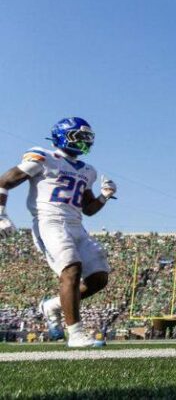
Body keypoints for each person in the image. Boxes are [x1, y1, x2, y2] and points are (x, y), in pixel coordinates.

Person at [0, 118, 116, 347]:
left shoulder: (88, 171)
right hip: (48, 222)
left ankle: (52, 305)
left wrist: (105, 195)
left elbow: (89, 209)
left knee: (99, 277)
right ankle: (76, 334)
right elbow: (4, 181)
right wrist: (1, 214)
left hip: (76, 224)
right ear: (63, 136)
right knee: (72, 269)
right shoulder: (43, 156)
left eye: (86, 137)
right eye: (79, 136)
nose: (84, 141)